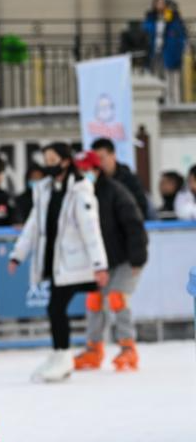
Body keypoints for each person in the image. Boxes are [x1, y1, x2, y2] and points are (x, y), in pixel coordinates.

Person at [9, 142, 109, 383]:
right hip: (53, 261)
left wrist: (99, 265)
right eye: (46, 161)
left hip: (72, 263)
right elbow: (33, 225)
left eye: (53, 160)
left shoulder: (80, 190)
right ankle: (58, 354)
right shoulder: (44, 190)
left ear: (65, 161)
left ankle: (63, 357)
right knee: (55, 308)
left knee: (56, 308)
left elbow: (91, 229)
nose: (49, 165)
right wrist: (18, 254)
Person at [71, 152, 148, 372]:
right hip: (100, 261)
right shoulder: (76, 194)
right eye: (79, 170)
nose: (83, 174)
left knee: (117, 297)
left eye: (87, 170)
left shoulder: (115, 192)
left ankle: (128, 347)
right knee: (94, 300)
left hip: (126, 258)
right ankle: (93, 348)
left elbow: (134, 224)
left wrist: (137, 258)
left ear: (97, 170)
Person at [90, 138, 153, 220]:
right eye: (95, 160)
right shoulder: (93, 180)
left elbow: (141, 207)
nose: (98, 163)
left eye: (101, 158)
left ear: (113, 155)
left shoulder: (130, 179)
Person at [144, 0, 187, 104]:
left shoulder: (172, 16)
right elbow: (147, 31)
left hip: (168, 51)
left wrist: (170, 15)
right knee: (155, 77)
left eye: (163, 3)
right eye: (158, 3)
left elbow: (179, 33)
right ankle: (157, 102)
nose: (160, 5)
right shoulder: (151, 17)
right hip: (154, 51)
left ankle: (174, 103)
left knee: (172, 79)